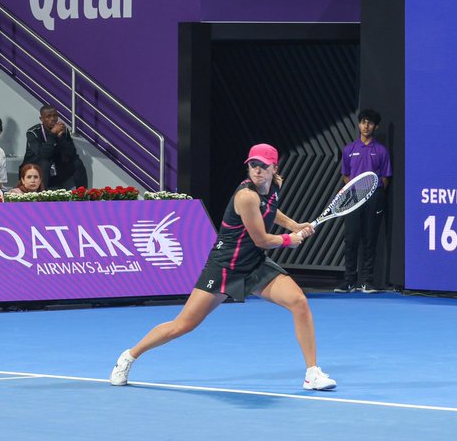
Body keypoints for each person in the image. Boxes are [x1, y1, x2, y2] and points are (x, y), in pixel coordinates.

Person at [108, 143, 335, 391]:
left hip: (254, 264)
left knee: (299, 302)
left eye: (263, 166)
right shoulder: (245, 196)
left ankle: (312, 372)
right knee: (183, 324)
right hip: (225, 266)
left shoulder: (275, 185)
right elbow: (261, 239)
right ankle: (129, 356)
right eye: (253, 165)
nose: (257, 170)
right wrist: (289, 239)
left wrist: (293, 225)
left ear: (274, 169)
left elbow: (270, 210)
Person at [335, 109, 393, 294]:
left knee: (370, 238)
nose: (365, 126)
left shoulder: (381, 151)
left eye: (369, 123)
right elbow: (345, 175)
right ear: (359, 124)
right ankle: (349, 281)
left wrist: (371, 192)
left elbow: (385, 178)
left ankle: (366, 281)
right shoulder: (349, 149)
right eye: (363, 122)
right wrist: (356, 190)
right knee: (351, 238)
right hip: (353, 198)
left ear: (375, 127)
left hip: (374, 198)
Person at [23, 105, 85, 189]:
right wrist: (52, 135)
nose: (53, 119)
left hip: (57, 171)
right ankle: (42, 197)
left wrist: (61, 137)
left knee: (77, 162)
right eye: (48, 116)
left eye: (55, 115)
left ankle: (82, 195)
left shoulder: (63, 130)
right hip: (35, 172)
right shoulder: (33, 132)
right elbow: (43, 155)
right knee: (45, 162)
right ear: (41, 119)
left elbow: (72, 154)